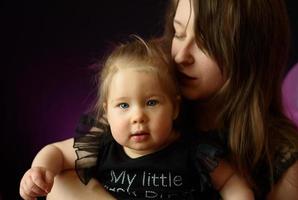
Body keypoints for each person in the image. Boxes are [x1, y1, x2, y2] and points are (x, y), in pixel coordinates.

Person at [23, 0, 298, 199]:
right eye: (179, 33)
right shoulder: (139, 104)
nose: (181, 55)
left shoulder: (283, 160)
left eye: (206, 43)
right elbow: (62, 176)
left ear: (250, 55)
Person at [19, 37, 254, 200]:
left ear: (174, 108)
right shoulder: (103, 144)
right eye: (123, 105)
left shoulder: (192, 150)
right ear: (107, 113)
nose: (138, 116)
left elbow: (230, 181)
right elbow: (57, 152)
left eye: (152, 102)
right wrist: (40, 171)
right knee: (61, 182)